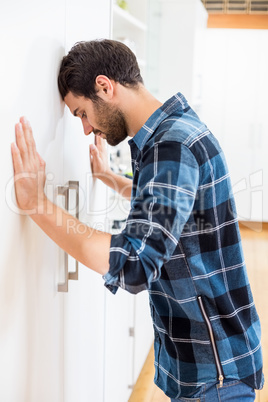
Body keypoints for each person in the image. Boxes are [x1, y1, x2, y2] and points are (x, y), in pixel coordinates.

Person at [11, 39, 264, 401]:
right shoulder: (176, 130)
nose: (85, 129)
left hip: (215, 376)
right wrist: (110, 179)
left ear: (104, 86)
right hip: (215, 364)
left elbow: (133, 263)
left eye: (82, 112)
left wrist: (37, 203)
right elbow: (175, 208)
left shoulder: (171, 145)